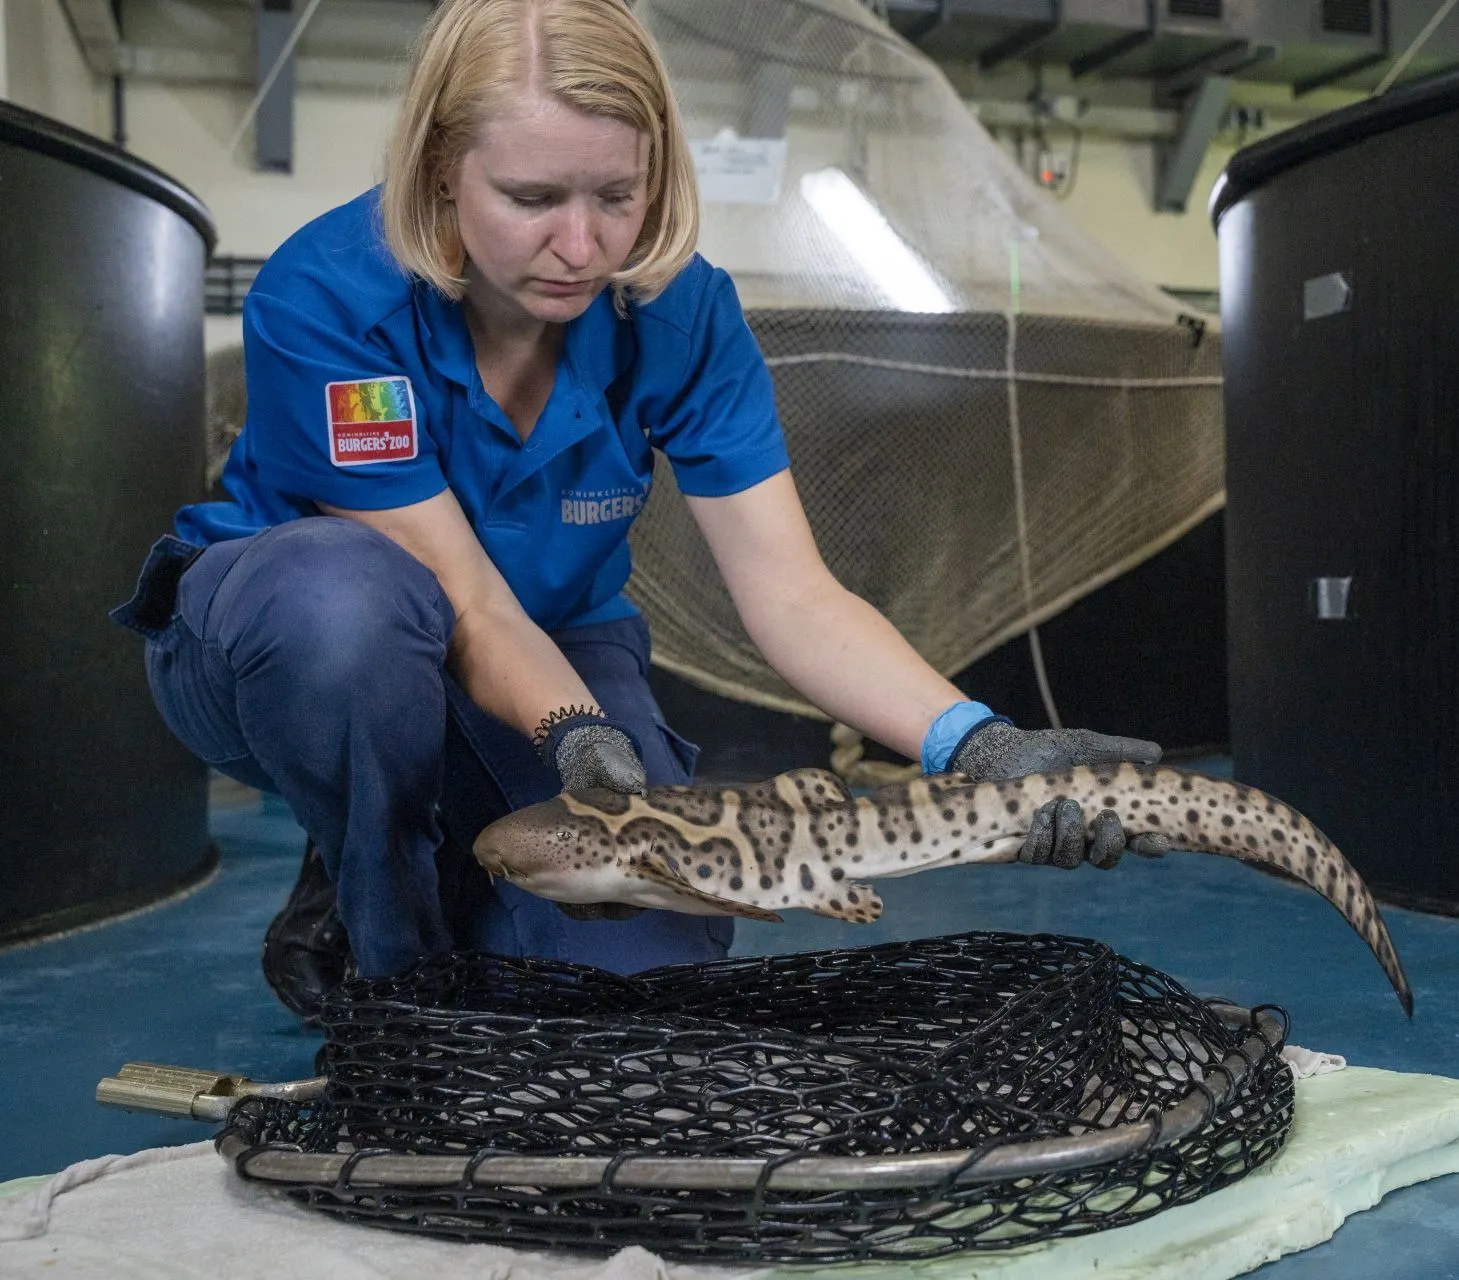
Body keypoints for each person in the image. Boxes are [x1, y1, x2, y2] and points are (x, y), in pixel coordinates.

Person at [110, 0, 1168, 1020]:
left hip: (556, 638)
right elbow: (464, 601)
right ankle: (394, 972)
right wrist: (577, 731)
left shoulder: (682, 309)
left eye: (617, 194)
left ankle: (434, 840)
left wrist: (979, 746)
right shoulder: (325, 297)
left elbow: (792, 594)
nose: (582, 245)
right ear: (439, 169)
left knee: (632, 967)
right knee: (348, 611)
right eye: (531, 198)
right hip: (297, 646)